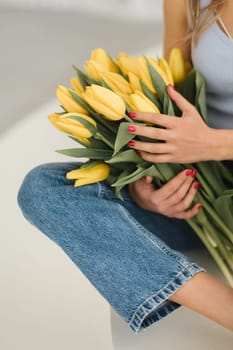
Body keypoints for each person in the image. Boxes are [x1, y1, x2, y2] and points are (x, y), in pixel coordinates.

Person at [17, 0, 233, 333]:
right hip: (200, 190)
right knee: (45, 190)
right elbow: (172, 94)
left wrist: (215, 143)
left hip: (213, 162)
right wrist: (149, 185)